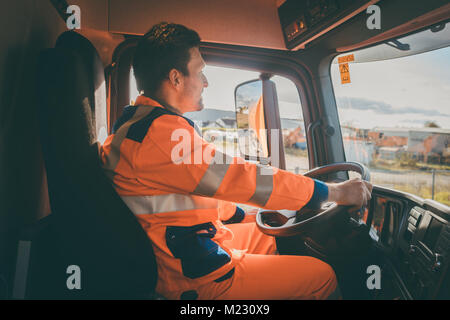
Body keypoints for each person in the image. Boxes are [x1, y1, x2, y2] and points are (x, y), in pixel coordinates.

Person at [100, 22, 373, 300]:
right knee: (321, 276)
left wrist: (244, 215)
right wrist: (333, 192)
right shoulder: (162, 135)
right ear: (176, 78)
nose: (205, 82)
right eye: (200, 72)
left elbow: (197, 189)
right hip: (192, 277)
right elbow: (242, 177)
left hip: (179, 249)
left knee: (273, 235)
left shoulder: (137, 126)